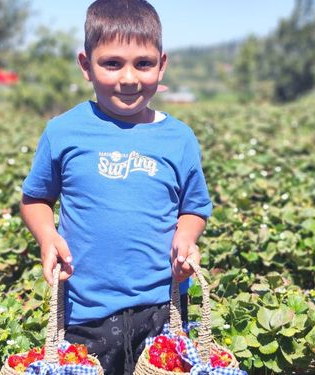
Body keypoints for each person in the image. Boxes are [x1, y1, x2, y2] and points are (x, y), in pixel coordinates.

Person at [19, 0, 212, 373]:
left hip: (162, 307)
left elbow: (194, 206)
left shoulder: (179, 138)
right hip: (85, 310)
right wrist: (47, 237)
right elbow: (36, 198)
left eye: (143, 63)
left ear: (162, 64)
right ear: (85, 65)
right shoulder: (64, 131)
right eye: (112, 63)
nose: (129, 78)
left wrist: (186, 237)